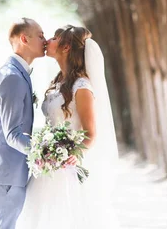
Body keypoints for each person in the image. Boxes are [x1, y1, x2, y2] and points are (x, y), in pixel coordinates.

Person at [17, 25, 119, 229]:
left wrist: (70, 154)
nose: (48, 40)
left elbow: (91, 133)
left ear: (65, 48)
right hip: (48, 166)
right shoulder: (58, 82)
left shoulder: (81, 87)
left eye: (55, 38)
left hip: (67, 168)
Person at [0, 18, 46, 229]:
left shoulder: (17, 73)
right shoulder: (12, 77)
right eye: (40, 36)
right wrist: (45, 153)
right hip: (4, 174)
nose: (45, 40)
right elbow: (13, 134)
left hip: (7, 172)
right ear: (24, 38)